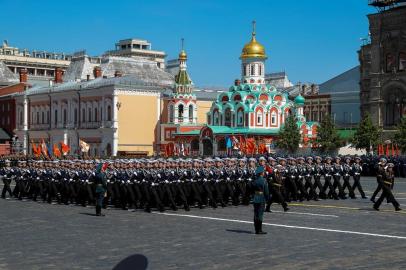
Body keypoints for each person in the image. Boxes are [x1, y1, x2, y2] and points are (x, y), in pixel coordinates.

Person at [252, 166, 269, 235]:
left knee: (255, 214)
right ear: (262, 173)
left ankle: (256, 229)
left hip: (255, 198)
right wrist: (267, 199)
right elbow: (266, 191)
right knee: (260, 214)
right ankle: (259, 230)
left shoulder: (254, 180)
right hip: (261, 198)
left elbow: (251, 188)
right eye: (263, 172)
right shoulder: (264, 180)